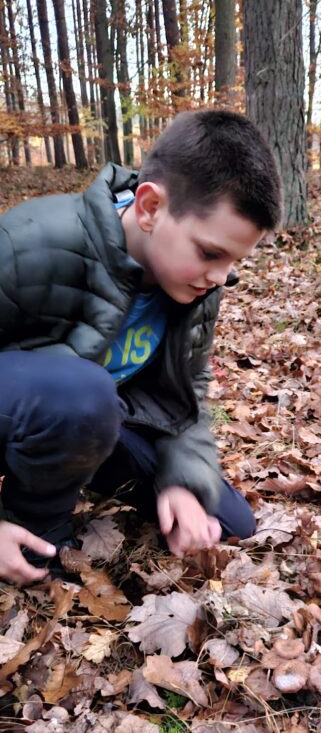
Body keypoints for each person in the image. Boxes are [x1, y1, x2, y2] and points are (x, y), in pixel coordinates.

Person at [0, 109, 282, 586]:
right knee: (83, 394)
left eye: (234, 262)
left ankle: (67, 470)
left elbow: (183, 392)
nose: (219, 277)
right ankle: (33, 529)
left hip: (84, 423)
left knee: (229, 523)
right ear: (150, 207)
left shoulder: (194, 285)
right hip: (44, 411)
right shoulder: (31, 241)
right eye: (211, 253)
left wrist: (181, 480)